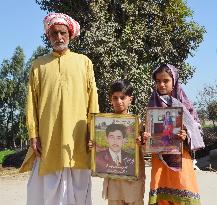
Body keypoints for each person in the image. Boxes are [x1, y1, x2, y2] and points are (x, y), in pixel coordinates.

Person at [19, 13, 99, 205]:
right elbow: (32, 102)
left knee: (80, 186)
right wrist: (33, 134)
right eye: (54, 34)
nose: (59, 37)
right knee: (49, 186)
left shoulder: (84, 62)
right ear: (48, 36)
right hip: (49, 136)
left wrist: (94, 130)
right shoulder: (38, 65)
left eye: (63, 33)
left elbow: (92, 99)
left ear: (70, 34)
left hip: (78, 136)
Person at [147, 64, 204, 205]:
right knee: (163, 195)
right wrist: (146, 136)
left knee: (184, 188)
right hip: (159, 159)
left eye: (165, 80)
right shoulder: (152, 103)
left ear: (174, 81)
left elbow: (196, 127)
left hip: (181, 156)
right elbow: (147, 129)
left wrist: (186, 134)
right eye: (158, 81)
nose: (161, 84)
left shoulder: (183, 103)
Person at [89, 79, 147, 205]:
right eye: (115, 98)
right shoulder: (102, 122)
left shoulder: (138, 123)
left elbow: (147, 147)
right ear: (110, 99)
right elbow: (97, 153)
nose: (119, 101)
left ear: (130, 99)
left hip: (133, 179)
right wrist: (93, 147)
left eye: (122, 97)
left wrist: (142, 142)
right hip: (114, 180)